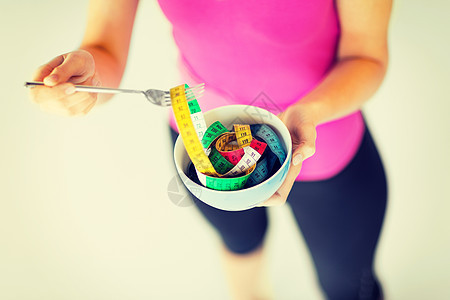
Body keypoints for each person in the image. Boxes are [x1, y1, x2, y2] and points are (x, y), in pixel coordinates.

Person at [29, 0, 392, 299]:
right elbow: (105, 48)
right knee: (239, 242)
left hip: (324, 139)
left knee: (348, 287)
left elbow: (367, 56)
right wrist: (84, 82)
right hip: (201, 150)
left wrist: (307, 112)